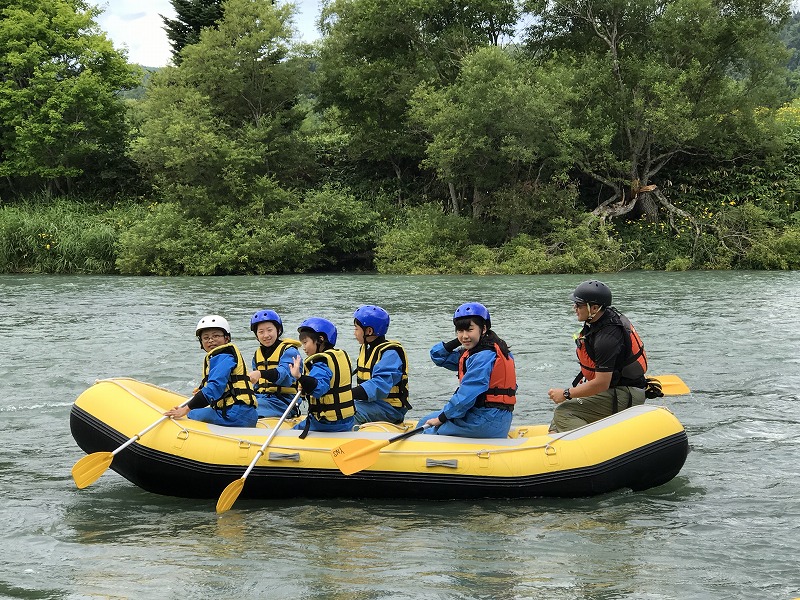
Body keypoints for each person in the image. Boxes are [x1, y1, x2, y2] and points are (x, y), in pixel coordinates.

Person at [547, 280, 648, 433]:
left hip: (626, 394)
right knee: (558, 420)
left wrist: (566, 393)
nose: (575, 308)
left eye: (579, 305)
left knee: (564, 412)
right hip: (618, 389)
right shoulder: (599, 322)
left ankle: (596, 450)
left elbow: (601, 383)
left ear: (594, 308)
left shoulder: (607, 338)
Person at [417, 302, 516, 438]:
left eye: (469, 330)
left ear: (484, 328)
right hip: (486, 416)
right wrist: (461, 340)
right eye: (460, 330)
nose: (464, 335)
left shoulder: (484, 356)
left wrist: (442, 418)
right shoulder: (473, 352)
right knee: (423, 422)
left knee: (429, 431)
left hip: (486, 420)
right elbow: (438, 356)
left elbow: (467, 394)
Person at [165, 315, 258, 427]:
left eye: (216, 336)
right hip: (241, 412)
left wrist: (185, 409)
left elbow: (214, 387)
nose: (211, 340)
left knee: (192, 413)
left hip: (235, 415)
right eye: (206, 338)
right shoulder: (220, 357)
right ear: (201, 342)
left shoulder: (224, 356)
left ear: (226, 338)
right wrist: (201, 391)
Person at [289, 317, 355, 436]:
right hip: (347, 421)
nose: (303, 347)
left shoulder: (321, 361)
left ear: (320, 339)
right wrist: (306, 387)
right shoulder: (340, 355)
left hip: (327, 424)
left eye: (305, 342)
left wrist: (299, 376)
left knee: (289, 435)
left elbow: (319, 388)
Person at [351, 305, 411, 426]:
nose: (354, 333)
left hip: (390, 409)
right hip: (370, 404)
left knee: (348, 412)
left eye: (356, 329)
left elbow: (379, 385)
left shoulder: (390, 353)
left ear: (369, 331)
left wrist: (347, 394)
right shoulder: (366, 348)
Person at [247, 309, 302, 419]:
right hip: (261, 398)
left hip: (283, 402)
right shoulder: (257, 355)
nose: (266, 335)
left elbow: (285, 375)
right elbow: (257, 385)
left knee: (245, 411)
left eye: (269, 330)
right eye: (261, 332)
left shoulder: (290, 351)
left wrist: (260, 373)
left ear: (278, 330)